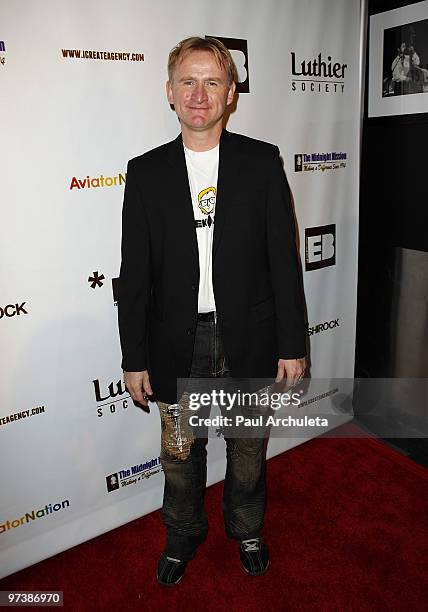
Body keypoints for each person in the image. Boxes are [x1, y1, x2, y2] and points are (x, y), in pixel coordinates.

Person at [118, 36, 307, 586]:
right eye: (187, 82)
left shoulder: (261, 161)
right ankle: (182, 536)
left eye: (212, 82)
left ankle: (246, 527)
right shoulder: (146, 172)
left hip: (249, 338)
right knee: (180, 455)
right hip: (179, 344)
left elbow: (283, 260)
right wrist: (134, 358)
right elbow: (136, 275)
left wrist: (292, 344)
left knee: (247, 452)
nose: (199, 94)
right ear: (170, 94)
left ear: (230, 94)